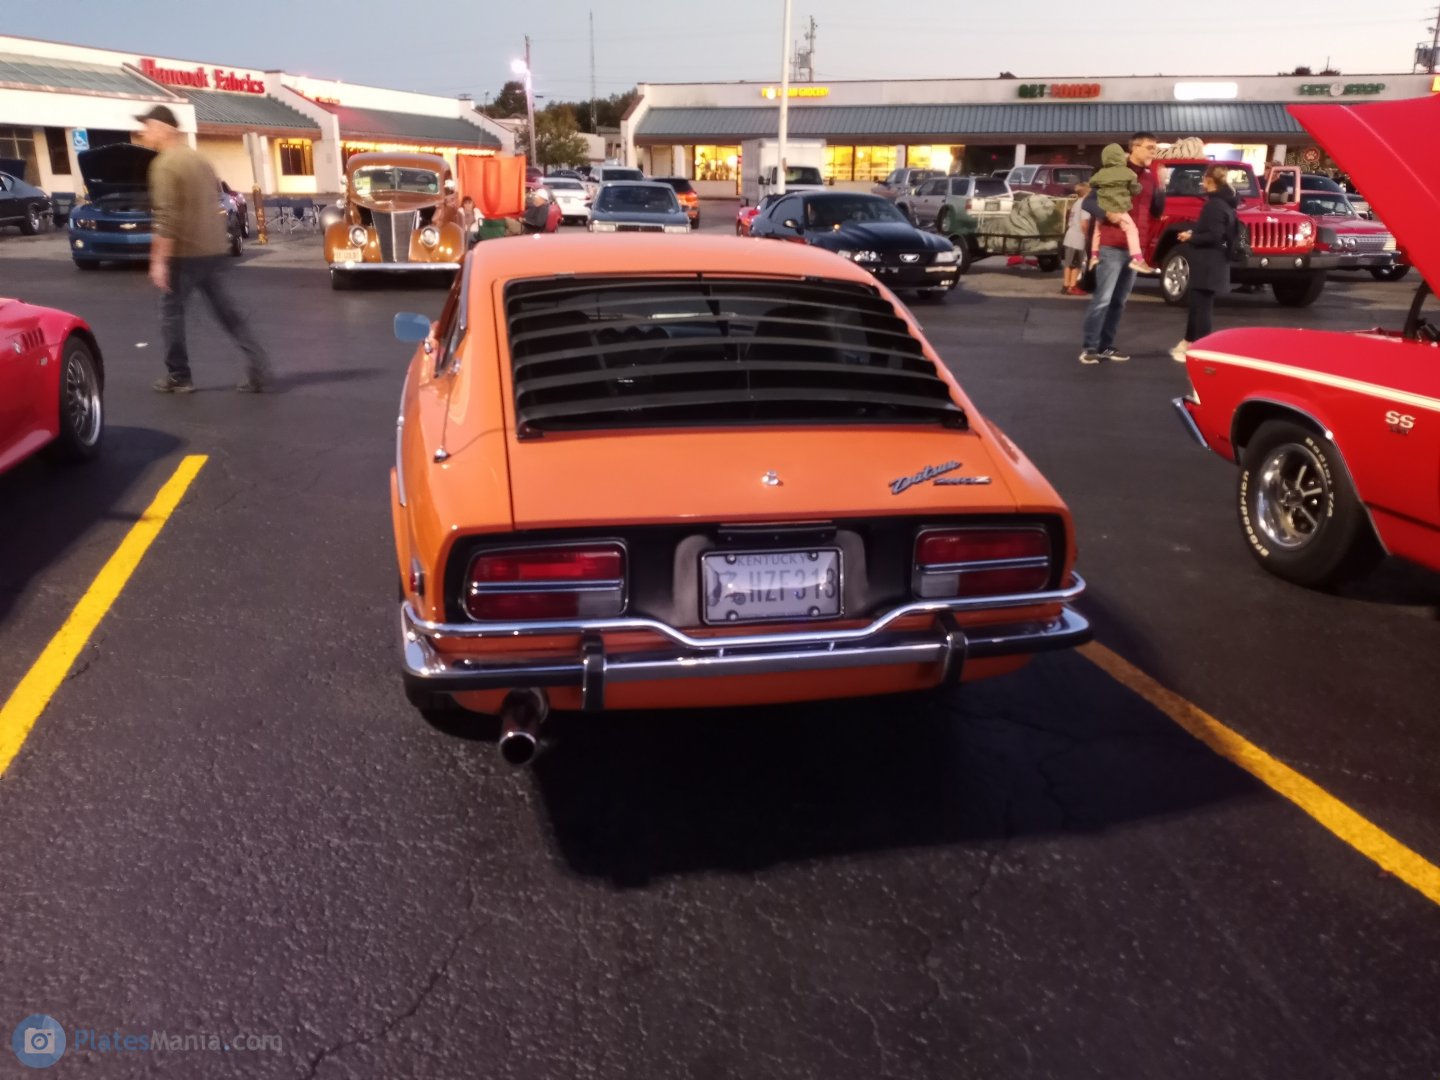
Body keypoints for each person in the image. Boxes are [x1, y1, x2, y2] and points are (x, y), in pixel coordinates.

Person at [137, 105, 273, 393]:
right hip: (212, 249)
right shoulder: (200, 161)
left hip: (183, 254)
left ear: (163, 128)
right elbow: (216, 201)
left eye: (147, 126)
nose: (143, 132)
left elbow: (166, 216)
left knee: (171, 314)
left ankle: (179, 376)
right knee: (225, 311)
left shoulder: (163, 165)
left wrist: (158, 261)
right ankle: (257, 365)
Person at [1078, 132, 1161, 365]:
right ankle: (1090, 347)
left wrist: (1161, 186)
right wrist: (1109, 215)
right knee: (1103, 299)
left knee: (1119, 301)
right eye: (1149, 147)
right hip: (1112, 245)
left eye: (1155, 148)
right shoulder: (1114, 172)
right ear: (1134, 148)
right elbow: (1088, 202)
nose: (1153, 152)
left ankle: (1106, 346)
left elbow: (1156, 210)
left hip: (1136, 249)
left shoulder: (1150, 178)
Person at [1171, 165, 1238, 362]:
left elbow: (1214, 236)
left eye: (1203, 179)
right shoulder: (1227, 203)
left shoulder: (1214, 205)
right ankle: (1189, 342)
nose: (1201, 183)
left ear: (1210, 181)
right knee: (1197, 304)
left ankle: (1201, 349)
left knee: (1202, 308)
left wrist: (1191, 237)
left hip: (1209, 261)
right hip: (1215, 261)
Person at [1087, 143, 1157, 275]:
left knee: (1097, 231)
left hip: (1103, 205)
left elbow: (1092, 182)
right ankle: (1137, 258)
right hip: (1119, 207)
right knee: (1131, 229)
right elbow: (1135, 188)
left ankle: (1094, 256)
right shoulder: (1127, 173)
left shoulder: (1101, 173)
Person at [1060, 181, 1092, 296]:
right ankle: (1072, 286)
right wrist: (1087, 236)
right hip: (1078, 236)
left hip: (1070, 235)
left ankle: (1066, 284)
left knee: (1068, 263)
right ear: (1087, 192)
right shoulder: (1085, 204)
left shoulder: (1075, 203)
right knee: (1077, 263)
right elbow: (1084, 222)